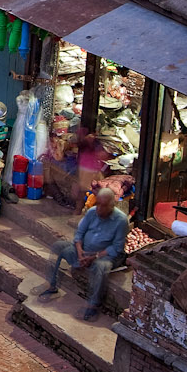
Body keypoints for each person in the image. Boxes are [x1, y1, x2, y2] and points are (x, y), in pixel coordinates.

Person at [41, 184, 129, 319]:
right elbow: (79, 234)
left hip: (104, 256)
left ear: (112, 205)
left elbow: (116, 247)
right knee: (58, 246)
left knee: (101, 266)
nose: (99, 208)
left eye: (104, 205)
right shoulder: (92, 212)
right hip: (83, 251)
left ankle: (93, 305)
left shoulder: (121, 220)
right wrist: (80, 252)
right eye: (98, 204)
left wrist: (94, 257)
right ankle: (51, 285)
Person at [71, 122, 107, 206]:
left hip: (88, 166)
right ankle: (79, 209)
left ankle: (81, 208)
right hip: (88, 167)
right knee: (85, 189)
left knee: (87, 189)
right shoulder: (86, 137)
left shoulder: (87, 137)